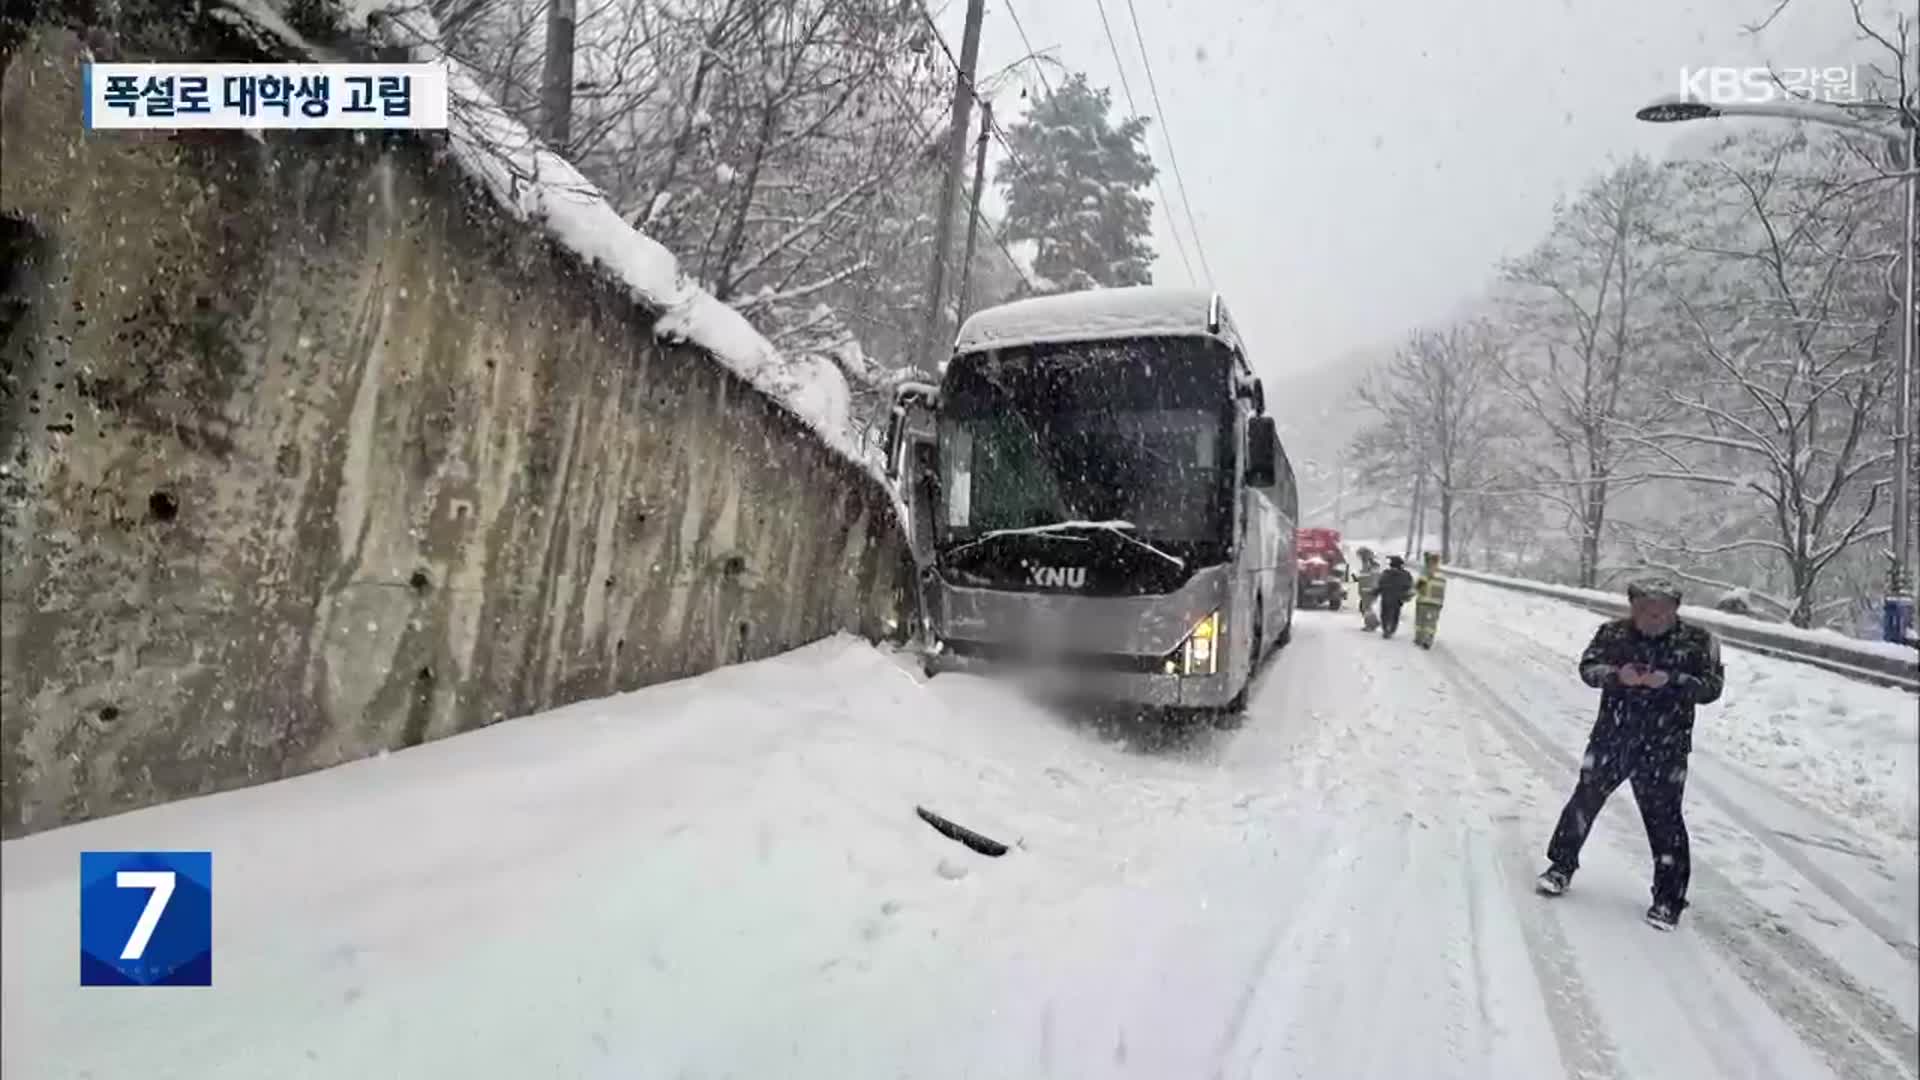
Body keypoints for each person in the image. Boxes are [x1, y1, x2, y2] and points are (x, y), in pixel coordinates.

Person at [1535, 576, 1725, 931]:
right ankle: (1560, 867)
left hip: (1666, 744)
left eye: (1661, 611)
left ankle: (1668, 901)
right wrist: (1616, 675)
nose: (1653, 617)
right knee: (1584, 802)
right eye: (1644, 610)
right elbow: (1587, 669)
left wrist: (1673, 681)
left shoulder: (1699, 642)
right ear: (1632, 608)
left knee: (1665, 820)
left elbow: (1712, 688)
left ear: (1675, 610)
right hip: (1613, 736)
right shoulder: (1612, 634)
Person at [1412, 551, 1447, 649]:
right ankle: (1428, 640)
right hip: (1437, 603)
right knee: (1432, 623)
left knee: (1420, 621)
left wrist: (1410, 594)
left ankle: (1419, 638)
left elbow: (1419, 586)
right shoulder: (1442, 574)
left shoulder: (1426, 572)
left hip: (1423, 601)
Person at [1375, 555, 1414, 639]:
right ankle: (1391, 629)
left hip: (1386, 597)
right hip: (1398, 599)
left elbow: (1380, 584)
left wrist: (1375, 592)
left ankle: (1386, 629)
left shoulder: (1386, 573)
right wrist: (1407, 595)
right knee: (1395, 614)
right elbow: (1409, 586)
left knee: (1385, 614)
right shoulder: (1406, 574)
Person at [1354, 547, 1382, 631]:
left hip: (1368, 590)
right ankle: (1373, 622)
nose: (1359, 557)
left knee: (1367, 608)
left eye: (1359, 555)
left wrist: (1372, 588)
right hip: (1365, 590)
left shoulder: (1371, 565)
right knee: (1365, 608)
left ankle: (1371, 625)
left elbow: (1374, 578)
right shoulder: (1368, 564)